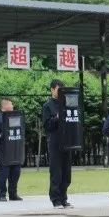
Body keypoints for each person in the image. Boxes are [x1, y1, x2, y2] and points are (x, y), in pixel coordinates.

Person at [42, 79, 73, 209]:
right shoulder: (47, 106)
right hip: (55, 141)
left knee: (67, 173)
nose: (60, 93)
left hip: (67, 141)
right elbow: (47, 125)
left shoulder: (66, 103)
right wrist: (57, 117)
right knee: (56, 172)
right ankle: (55, 199)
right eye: (58, 90)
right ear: (52, 90)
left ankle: (64, 198)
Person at [0, 98, 23, 202]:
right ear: (5, 106)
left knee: (16, 172)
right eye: (11, 105)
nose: (12, 106)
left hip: (15, 149)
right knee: (4, 173)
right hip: (3, 150)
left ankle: (13, 194)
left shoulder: (16, 116)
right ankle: (1, 194)